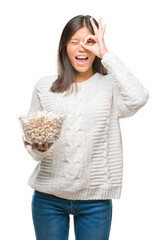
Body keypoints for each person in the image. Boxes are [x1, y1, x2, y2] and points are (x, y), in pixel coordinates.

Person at [23, 14, 149, 240]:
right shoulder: (45, 87)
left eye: (89, 41)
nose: (82, 47)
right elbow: (35, 152)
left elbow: (138, 98)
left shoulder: (110, 86)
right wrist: (38, 148)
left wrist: (106, 54)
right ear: (64, 47)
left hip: (95, 201)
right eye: (74, 41)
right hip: (48, 199)